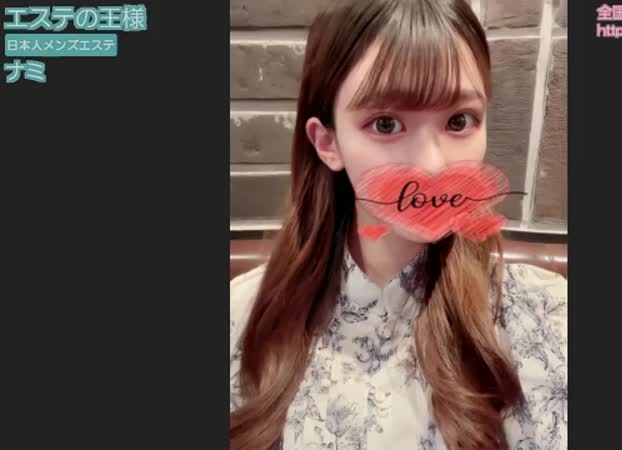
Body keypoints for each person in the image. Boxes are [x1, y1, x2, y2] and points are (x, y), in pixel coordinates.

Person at [230, 1, 567, 449]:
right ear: (328, 142)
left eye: (459, 121)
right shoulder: (242, 318)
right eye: (386, 124)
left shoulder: (549, 318)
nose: (432, 167)